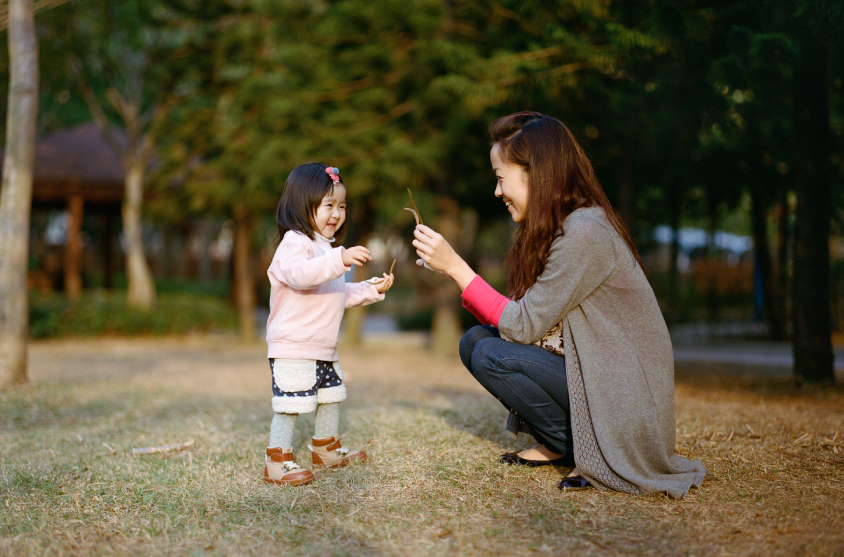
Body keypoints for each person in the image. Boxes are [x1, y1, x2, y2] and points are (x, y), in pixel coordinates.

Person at [412, 112, 706, 498]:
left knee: (490, 354)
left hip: (623, 400)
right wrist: (456, 272)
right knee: (474, 342)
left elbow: (522, 326)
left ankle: (582, 446)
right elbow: (523, 317)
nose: (497, 191)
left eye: (501, 178)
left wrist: (456, 267)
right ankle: (563, 442)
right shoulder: (563, 227)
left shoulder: (584, 232)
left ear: (536, 173)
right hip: (597, 378)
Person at [263, 162, 394, 486]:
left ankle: (326, 447)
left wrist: (369, 289)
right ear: (302, 206)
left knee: (331, 396)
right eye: (328, 205)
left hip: (323, 346)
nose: (337, 213)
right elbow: (302, 276)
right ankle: (277, 460)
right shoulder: (295, 243)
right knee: (291, 403)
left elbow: (333, 292)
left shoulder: (327, 249)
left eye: (342, 206)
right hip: (294, 345)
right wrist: (340, 259)